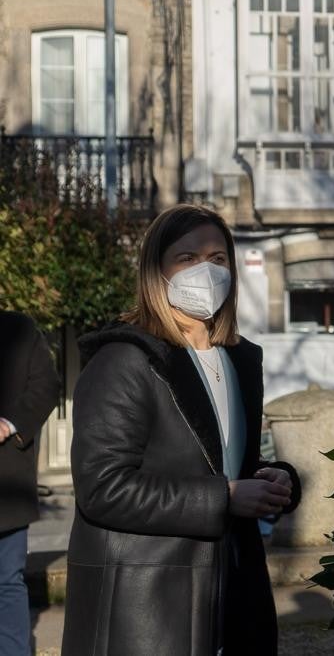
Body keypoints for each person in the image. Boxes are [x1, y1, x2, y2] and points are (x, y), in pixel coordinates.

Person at [62, 205, 301, 656]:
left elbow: (220, 461)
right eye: (187, 259)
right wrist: (225, 497)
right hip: (148, 607)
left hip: (231, 593)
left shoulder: (237, 359)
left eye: (217, 258)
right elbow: (102, 486)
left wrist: (272, 478)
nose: (205, 271)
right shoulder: (124, 360)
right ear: (157, 271)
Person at [0, 311, 60, 656]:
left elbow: (47, 385)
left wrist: (10, 423)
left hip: (6, 483)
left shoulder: (19, 328)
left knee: (7, 581)